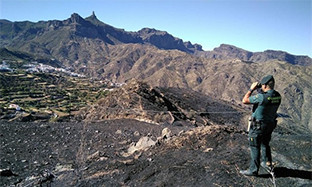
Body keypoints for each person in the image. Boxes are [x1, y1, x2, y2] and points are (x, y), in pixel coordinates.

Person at [240, 75, 281, 176]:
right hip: (270, 125)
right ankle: (267, 163)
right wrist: (261, 90)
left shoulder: (261, 97)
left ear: (265, 85)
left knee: (254, 146)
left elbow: (245, 100)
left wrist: (251, 89)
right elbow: (267, 98)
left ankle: (253, 170)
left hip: (258, 126)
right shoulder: (278, 95)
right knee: (265, 143)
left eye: (262, 85)